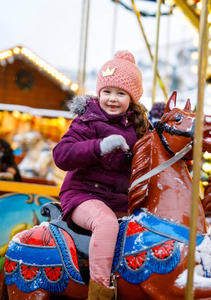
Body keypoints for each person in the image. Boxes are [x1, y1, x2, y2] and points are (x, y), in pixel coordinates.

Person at [53, 50, 149, 299]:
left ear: (132, 98)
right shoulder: (87, 121)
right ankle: (99, 293)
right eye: (107, 91)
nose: (112, 99)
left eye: (121, 93)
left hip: (119, 201)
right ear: (99, 93)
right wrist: (99, 146)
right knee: (105, 223)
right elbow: (61, 155)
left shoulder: (138, 128)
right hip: (82, 195)